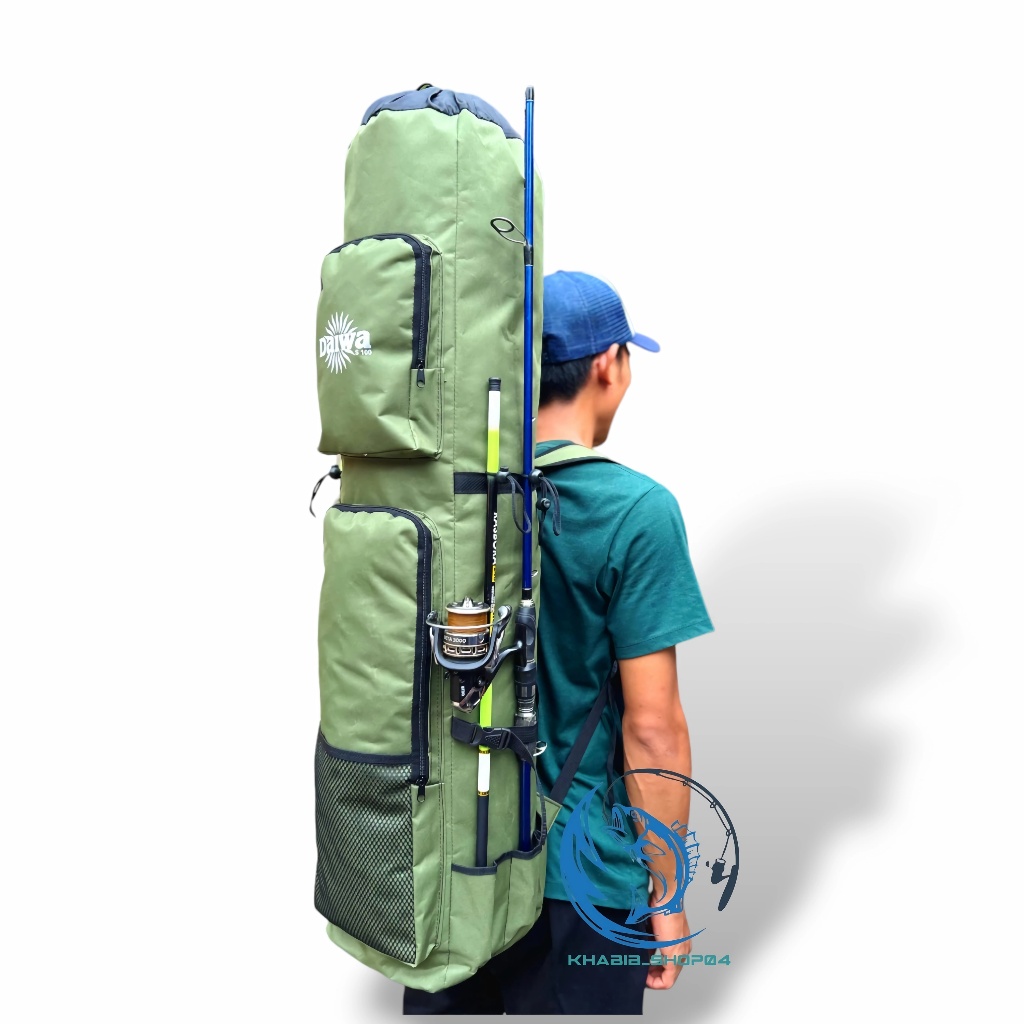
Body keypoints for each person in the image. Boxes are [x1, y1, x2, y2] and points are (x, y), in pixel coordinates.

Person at [403, 270, 714, 1015]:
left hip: (448, 862)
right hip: (581, 878)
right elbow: (652, 728)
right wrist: (668, 898)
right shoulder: (636, 511)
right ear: (609, 364)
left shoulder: (450, 500)